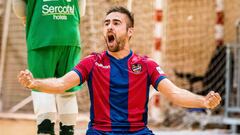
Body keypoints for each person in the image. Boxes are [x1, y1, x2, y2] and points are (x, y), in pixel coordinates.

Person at [18, 6, 221, 135]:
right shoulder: (92, 62)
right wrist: (34, 83)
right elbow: (62, 83)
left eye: (116, 23)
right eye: (106, 23)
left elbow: (175, 94)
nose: (109, 27)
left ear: (129, 31)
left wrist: (202, 101)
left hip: (137, 132)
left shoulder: (146, 65)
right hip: (100, 132)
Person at [12, 0, 86, 134]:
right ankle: (68, 129)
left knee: (40, 85)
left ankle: (45, 129)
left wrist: (24, 18)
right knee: (68, 87)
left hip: (41, 35)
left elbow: (18, 5)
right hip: (70, 36)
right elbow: (82, 8)